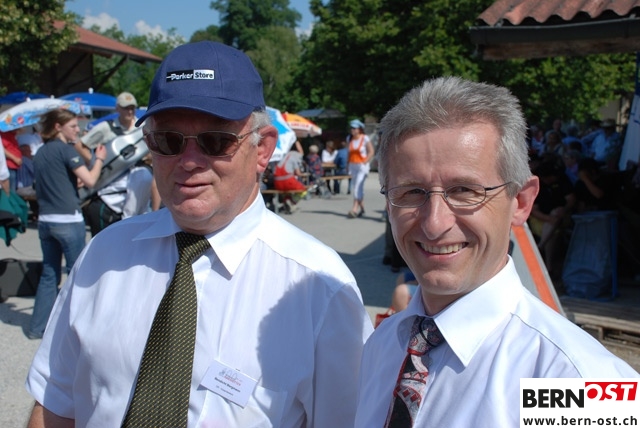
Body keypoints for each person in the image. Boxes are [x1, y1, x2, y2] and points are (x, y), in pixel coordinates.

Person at [26, 41, 372, 427]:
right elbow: (53, 406)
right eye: (168, 141)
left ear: (262, 150)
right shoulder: (104, 255)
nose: (189, 162)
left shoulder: (320, 286)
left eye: (215, 141)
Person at [354, 77, 638, 427]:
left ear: (521, 202)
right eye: (411, 192)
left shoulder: (576, 381)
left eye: (464, 190)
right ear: (388, 203)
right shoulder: (383, 345)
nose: (434, 223)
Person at [27, 109, 107, 340]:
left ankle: (37, 328)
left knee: (49, 274)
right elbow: (91, 180)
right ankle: (76, 330)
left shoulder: (40, 152)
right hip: (68, 220)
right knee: (78, 275)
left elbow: (53, 181)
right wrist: (99, 159)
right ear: (58, 127)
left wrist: (73, 181)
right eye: (72, 126)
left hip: (46, 220)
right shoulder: (65, 150)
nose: (77, 131)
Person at [80, 92, 157, 236]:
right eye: (125, 108)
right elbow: (81, 145)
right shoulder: (106, 127)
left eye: (132, 108)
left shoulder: (142, 128)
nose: (130, 111)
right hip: (108, 192)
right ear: (117, 109)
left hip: (135, 192)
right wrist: (96, 164)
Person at [347, 119, 374, 218]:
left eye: (354, 128)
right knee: (357, 188)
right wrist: (347, 165)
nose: (352, 130)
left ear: (359, 129)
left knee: (357, 187)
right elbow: (348, 153)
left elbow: (371, 151)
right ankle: (362, 209)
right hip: (352, 165)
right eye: (351, 128)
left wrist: (365, 161)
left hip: (362, 166)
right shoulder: (349, 138)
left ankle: (354, 209)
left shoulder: (364, 138)